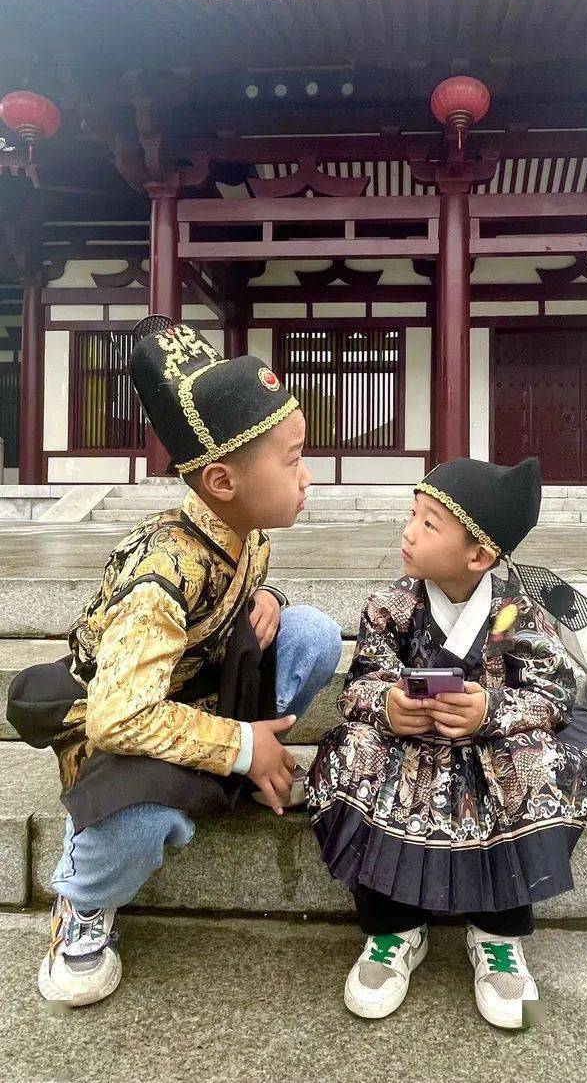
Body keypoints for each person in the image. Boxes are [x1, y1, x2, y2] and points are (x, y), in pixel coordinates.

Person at [8, 315, 342, 1007]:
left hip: (193, 698)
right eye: (292, 460)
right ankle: (83, 896)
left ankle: (239, 775)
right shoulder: (161, 571)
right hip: (123, 728)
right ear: (222, 480)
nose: (308, 476)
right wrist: (240, 742)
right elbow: (120, 717)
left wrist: (269, 597)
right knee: (139, 821)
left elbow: (236, 604)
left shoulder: (246, 535)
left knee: (312, 633)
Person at [305, 456, 587, 1029]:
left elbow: (554, 693)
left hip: (488, 749)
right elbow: (360, 684)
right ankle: (393, 927)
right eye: (412, 515)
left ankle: (498, 933)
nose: (408, 532)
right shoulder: (391, 606)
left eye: (429, 524)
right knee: (356, 750)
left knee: (531, 761)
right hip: (409, 744)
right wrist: (388, 705)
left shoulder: (512, 613)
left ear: (479, 555)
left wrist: (490, 711)